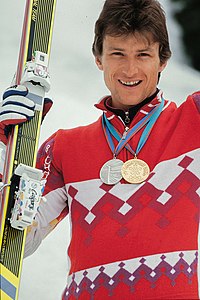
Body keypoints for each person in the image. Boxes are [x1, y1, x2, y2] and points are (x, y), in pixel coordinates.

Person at [0, 0, 200, 299]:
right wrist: (4, 149)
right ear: (99, 58)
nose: (130, 68)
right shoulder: (63, 148)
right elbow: (15, 242)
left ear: (162, 60)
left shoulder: (193, 122)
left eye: (143, 54)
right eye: (117, 53)